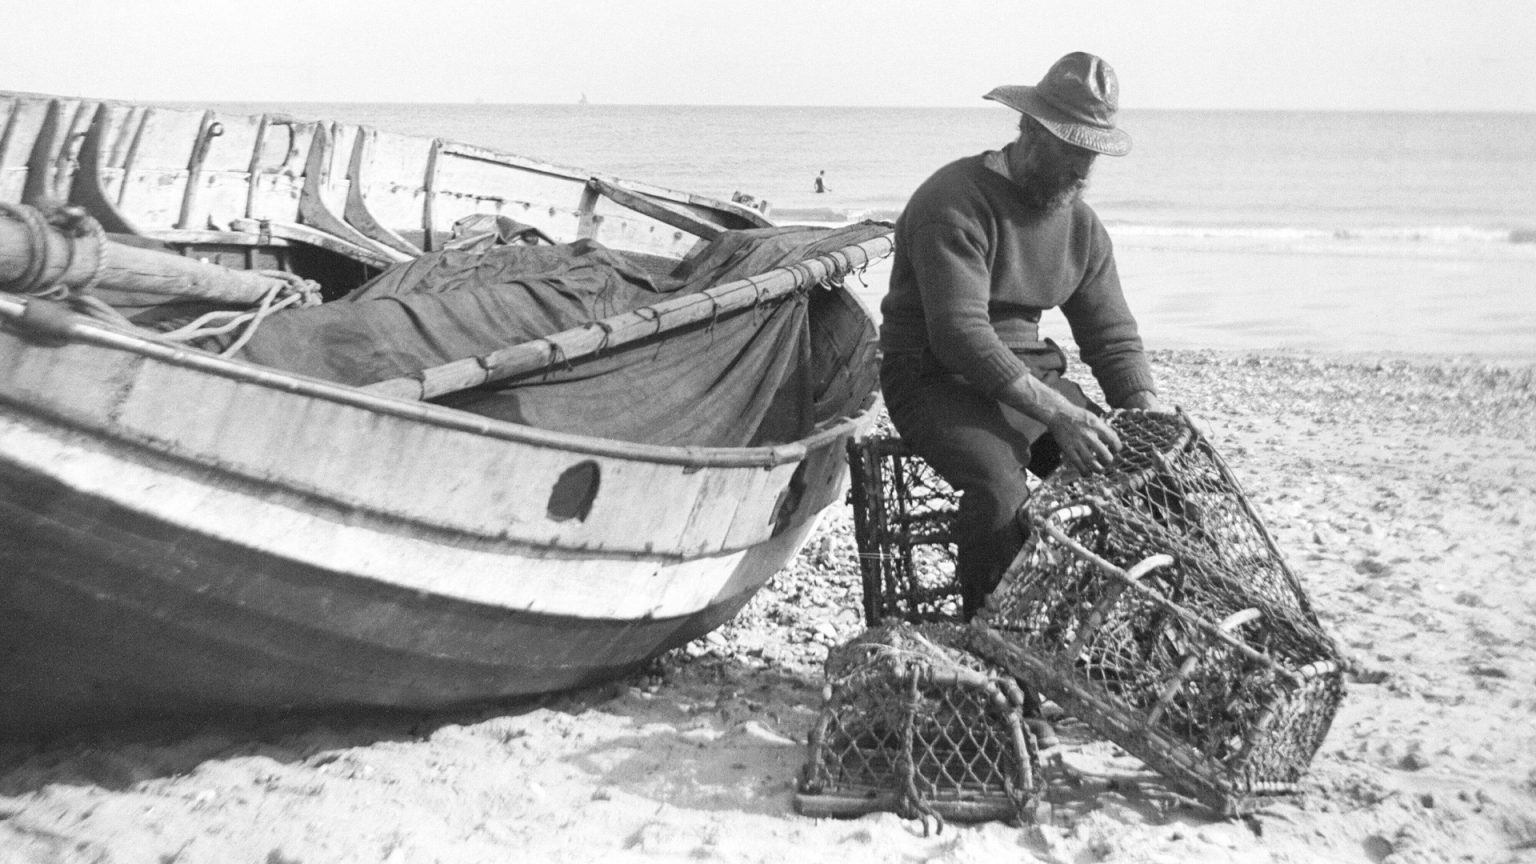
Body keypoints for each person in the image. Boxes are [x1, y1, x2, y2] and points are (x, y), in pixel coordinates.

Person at [878, 52, 1166, 620]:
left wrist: (1148, 416)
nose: (1081, 172)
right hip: (933, 377)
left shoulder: (1081, 226)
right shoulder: (954, 202)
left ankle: (1103, 637)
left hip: (1029, 374)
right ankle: (991, 640)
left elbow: (1112, 338)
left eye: (1092, 155)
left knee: (1144, 479)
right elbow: (960, 335)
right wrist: (1060, 415)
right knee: (1001, 497)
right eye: (1071, 151)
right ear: (1029, 131)